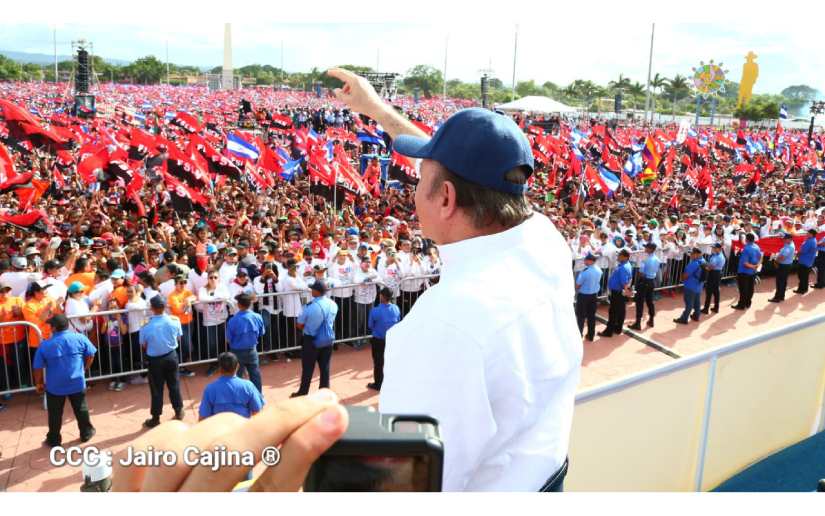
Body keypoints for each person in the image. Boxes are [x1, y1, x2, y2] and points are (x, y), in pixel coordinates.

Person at [327, 68, 580, 491]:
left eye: (421, 178)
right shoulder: (542, 238)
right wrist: (374, 109)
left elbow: (413, 483)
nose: (412, 186)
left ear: (446, 198)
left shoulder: (445, 322)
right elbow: (456, 168)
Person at [32, 314, 96, 447]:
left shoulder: (45, 345)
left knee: (55, 413)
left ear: (54, 328)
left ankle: (54, 439)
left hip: (55, 386)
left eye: (50, 325)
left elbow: (37, 367)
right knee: (81, 408)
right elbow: (91, 354)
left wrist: (38, 383)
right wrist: (84, 369)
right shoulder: (79, 337)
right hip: (77, 382)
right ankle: (86, 433)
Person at [139, 295, 184, 428]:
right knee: (174, 385)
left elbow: (143, 345)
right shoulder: (174, 321)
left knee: (156, 389)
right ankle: (179, 410)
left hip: (155, 360)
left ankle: (155, 418)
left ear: (152, 308)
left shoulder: (146, 326)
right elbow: (179, 337)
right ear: (165, 307)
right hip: (171, 356)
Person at [292, 280, 338, 398]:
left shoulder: (309, 307)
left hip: (311, 340)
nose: (311, 290)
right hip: (328, 340)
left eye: (313, 289)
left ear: (317, 292)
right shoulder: (333, 304)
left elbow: (300, 325)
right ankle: (324, 392)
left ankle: (303, 392)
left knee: (307, 368)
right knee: (325, 367)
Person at [198, 352, 264, 420]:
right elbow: (257, 411)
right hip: (242, 427)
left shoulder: (210, 389)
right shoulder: (248, 386)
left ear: (219, 368)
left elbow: (203, 417)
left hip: (219, 428)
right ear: (238, 366)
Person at [225, 293, 265, 393]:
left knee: (236, 377)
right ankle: (258, 396)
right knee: (255, 374)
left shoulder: (233, 320)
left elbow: (228, 339)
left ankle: (238, 397)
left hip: (237, 352)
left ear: (239, 305)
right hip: (252, 350)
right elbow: (262, 332)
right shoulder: (257, 317)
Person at [366, 287, 400, 391]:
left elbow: (370, 325)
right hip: (391, 340)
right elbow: (398, 320)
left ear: (381, 296)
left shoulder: (375, 311)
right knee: (390, 361)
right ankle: (390, 382)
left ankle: (378, 384)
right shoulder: (396, 308)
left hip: (378, 341)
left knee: (378, 363)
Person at [599, 249, 632, 337]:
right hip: (619, 292)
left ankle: (609, 331)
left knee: (613, 312)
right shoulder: (625, 265)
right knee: (620, 311)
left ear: (625, 257)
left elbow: (624, 282)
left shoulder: (623, 267)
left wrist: (627, 291)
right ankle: (618, 328)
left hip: (618, 293)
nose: (618, 256)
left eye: (620, 255)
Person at [629, 242, 660, 330]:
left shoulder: (646, 260)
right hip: (651, 281)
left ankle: (638, 323)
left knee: (639, 302)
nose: (645, 249)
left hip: (644, 281)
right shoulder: (657, 259)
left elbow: (641, 273)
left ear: (650, 249)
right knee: (650, 301)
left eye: (646, 247)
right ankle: (651, 320)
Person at [674, 248, 707, 324]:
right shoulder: (703, 261)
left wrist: (681, 280)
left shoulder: (694, 263)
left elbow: (685, 275)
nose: (690, 255)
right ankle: (696, 315)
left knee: (689, 303)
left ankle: (684, 318)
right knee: (697, 302)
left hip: (690, 286)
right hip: (699, 286)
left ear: (696, 254)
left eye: (692, 254)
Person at [574, 253, 602, 342]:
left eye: (586, 260)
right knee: (591, 316)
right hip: (593, 296)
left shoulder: (585, 271)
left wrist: (577, 289)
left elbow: (578, 285)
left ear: (591, 261)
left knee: (581, 316)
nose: (584, 261)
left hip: (583, 296)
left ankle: (579, 335)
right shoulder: (599, 270)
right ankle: (591, 335)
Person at [733, 233, 762, 310]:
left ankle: (741, 305)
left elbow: (745, 263)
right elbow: (760, 257)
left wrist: (754, 266)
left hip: (744, 272)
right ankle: (748, 303)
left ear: (747, 239)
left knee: (743, 289)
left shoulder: (746, 249)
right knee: (750, 288)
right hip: (752, 272)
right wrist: (756, 266)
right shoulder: (757, 247)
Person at [769, 233, 796, 303]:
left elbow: (782, 257)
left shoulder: (788, 247)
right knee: (783, 281)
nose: (783, 240)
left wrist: (776, 261)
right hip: (786, 265)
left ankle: (777, 297)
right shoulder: (790, 244)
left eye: (785, 239)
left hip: (783, 266)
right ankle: (781, 296)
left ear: (790, 239)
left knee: (780, 282)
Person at [701, 243, 726, 313]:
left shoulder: (718, 257)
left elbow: (710, 268)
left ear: (719, 249)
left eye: (715, 248)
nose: (713, 249)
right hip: (717, 273)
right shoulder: (719, 255)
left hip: (714, 274)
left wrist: (704, 266)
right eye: (713, 248)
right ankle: (716, 307)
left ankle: (706, 308)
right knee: (716, 291)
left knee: (709, 291)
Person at [795, 229, 818, 295]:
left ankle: (802, 289)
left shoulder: (810, 241)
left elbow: (803, 250)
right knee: (804, 276)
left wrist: (797, 254)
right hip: (807, 261)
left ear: (811, 234)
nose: (806, 234)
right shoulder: (812, 240)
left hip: (804, 261)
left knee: (802, 276)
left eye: (808, 233)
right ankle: (803, 289)